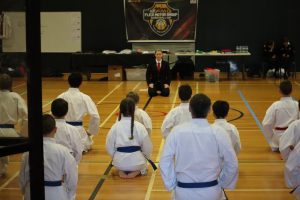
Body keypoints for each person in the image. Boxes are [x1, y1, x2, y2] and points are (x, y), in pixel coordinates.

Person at [160, 93, 238, 200]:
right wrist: (223, 183)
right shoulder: (219, 132)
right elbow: (232, 163)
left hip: (183, 192)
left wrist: (171, 184)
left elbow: (165, 160)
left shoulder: (177, 131)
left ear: (190, 109)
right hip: (211, 192)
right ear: (210, 110)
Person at [19, 114, 78, 200]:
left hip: (32, 192)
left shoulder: (28, 152)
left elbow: (22, 179)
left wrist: (26, 193)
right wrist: (70, 196)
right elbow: (72, 179)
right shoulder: (63, 151)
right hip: (56, 194)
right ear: (55, 130)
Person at [106, 98, 152, 179]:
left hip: (119, 162)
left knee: (121, 164)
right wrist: (145, 157)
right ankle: (138, 171)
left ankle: (121, 170)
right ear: (134, 110)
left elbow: (109, 146)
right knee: (144, 166)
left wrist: (116, 157)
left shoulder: (115, 126)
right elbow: (148, 148)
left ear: (120, 110)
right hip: (137, 162)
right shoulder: (139, 126)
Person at [57, 72, 100, 152]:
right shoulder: (84, 97)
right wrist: (90, 131)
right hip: (78, 132)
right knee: (81, 146)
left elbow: (54, 115)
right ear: (81, 83)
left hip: (63, 131)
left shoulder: (61, 96)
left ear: (68, 82)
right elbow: (95, 116)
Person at [0, 73, 28, 177]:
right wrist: (23, 134)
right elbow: (26, 116)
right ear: (11, 85)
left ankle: (2, 169)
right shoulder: (15, 97)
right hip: (10, 133)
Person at [262, 80, 298, 152]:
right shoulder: (296, 104)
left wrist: (272, 139)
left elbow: (266, 124)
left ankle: (278, 145)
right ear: (291, 91)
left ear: (279, 90)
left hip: (279, 138)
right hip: (294, 138)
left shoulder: (276, 105)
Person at [51, 98, 83, 164]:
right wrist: (74, 164)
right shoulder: (72, 130)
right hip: (67, 163)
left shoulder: (46, 128)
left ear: (51, 111)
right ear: (66, 112)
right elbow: (78, 151)